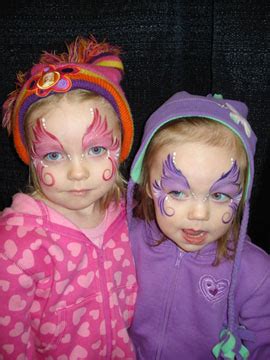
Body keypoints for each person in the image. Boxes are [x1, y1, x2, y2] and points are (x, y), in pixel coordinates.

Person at [0, 35, 137, 359]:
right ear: (32, 159)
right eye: (54, 156)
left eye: (96, 149)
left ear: (121, 147)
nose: (77, 173)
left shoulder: (128, 216)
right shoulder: (17, 243)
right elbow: (9, 341)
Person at [127, 91, 270, 359]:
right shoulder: (124, 240)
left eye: (219, 195)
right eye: (178, 193)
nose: (199, 213)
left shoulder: (257, 274)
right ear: (146, 182)